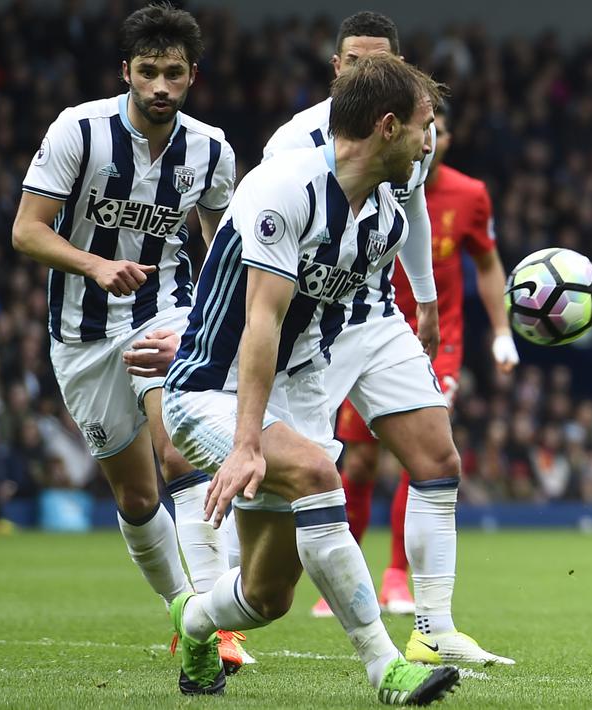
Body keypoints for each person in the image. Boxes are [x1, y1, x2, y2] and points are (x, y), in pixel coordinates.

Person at [161, 53, 461, 703]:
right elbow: (262, 319)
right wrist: (246, 442)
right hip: (210, 394)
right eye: (423, 126)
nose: (428, 144)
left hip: (288, 400)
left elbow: (331, 326)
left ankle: (194, 622)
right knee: (321, 475)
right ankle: (386, 667)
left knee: (265, 597)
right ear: (387, 126)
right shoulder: (283, 187)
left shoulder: (386, 220)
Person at [262, 11, 515, 665]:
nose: (366, 73)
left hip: (374, 314)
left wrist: (425, 300)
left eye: (380, 63)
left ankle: (432, 629)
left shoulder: (412, 137)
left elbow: (415, 210)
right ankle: (216, 611)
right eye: (355, 62)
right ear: (336, 68)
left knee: (437, 460)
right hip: (303, 330)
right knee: (289, 490)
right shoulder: (291, 146)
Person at [11, 3, 250, 672]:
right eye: (148, 72)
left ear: (193, 75)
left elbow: (221, 245)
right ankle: (183, 609)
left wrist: (216, 328)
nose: (160, 86)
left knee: (178, 451)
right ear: (126, 72)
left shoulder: (211, 150)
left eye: (173, 73)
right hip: (80, 332)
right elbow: (26, 230)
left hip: (162, 308)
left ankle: (215, 620)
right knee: (137, 497)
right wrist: (94, 265)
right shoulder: (79, 130)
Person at [349, 100, 519, 618]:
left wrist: (502, 332)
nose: (431, 141)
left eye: (439, 132)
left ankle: (396, 576)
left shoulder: (471, 195)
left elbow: (487, 264)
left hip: (436, 341)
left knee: (423, 449)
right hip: (368, 331)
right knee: (359, 462)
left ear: (448, 139)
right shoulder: (374, 180)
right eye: (426, 129)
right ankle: (347, 578)